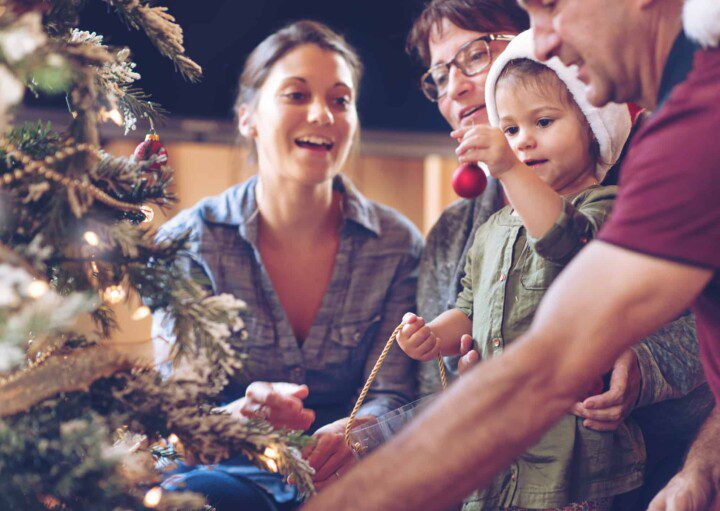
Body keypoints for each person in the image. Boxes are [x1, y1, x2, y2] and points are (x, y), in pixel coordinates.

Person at [301, 0, 720, 509]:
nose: (454, 86)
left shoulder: (676, 142)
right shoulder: (460, 233)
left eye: (476, 55)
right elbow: (466, 386)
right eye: (438, 73)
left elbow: (553, 360)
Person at [153, 20, 421, 510]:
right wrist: (239, 416)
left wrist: (357, 434)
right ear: (247, 117)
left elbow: (395, 393)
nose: (322, 114)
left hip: (354, 482)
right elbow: (176, 417)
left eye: (341, 100)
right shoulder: (188, 242)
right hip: (227, 476)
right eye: (296, 95)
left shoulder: (397, 246)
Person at [398, 29, 642, 511]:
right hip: (494, 453)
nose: (523, 141)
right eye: (509, 130)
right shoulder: (490, 230)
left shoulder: (610, 207)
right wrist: (433, 336)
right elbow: (469, 307)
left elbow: (565, 242)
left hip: (575, 459)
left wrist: (509, 167)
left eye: (544, 121)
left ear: (593, 127)